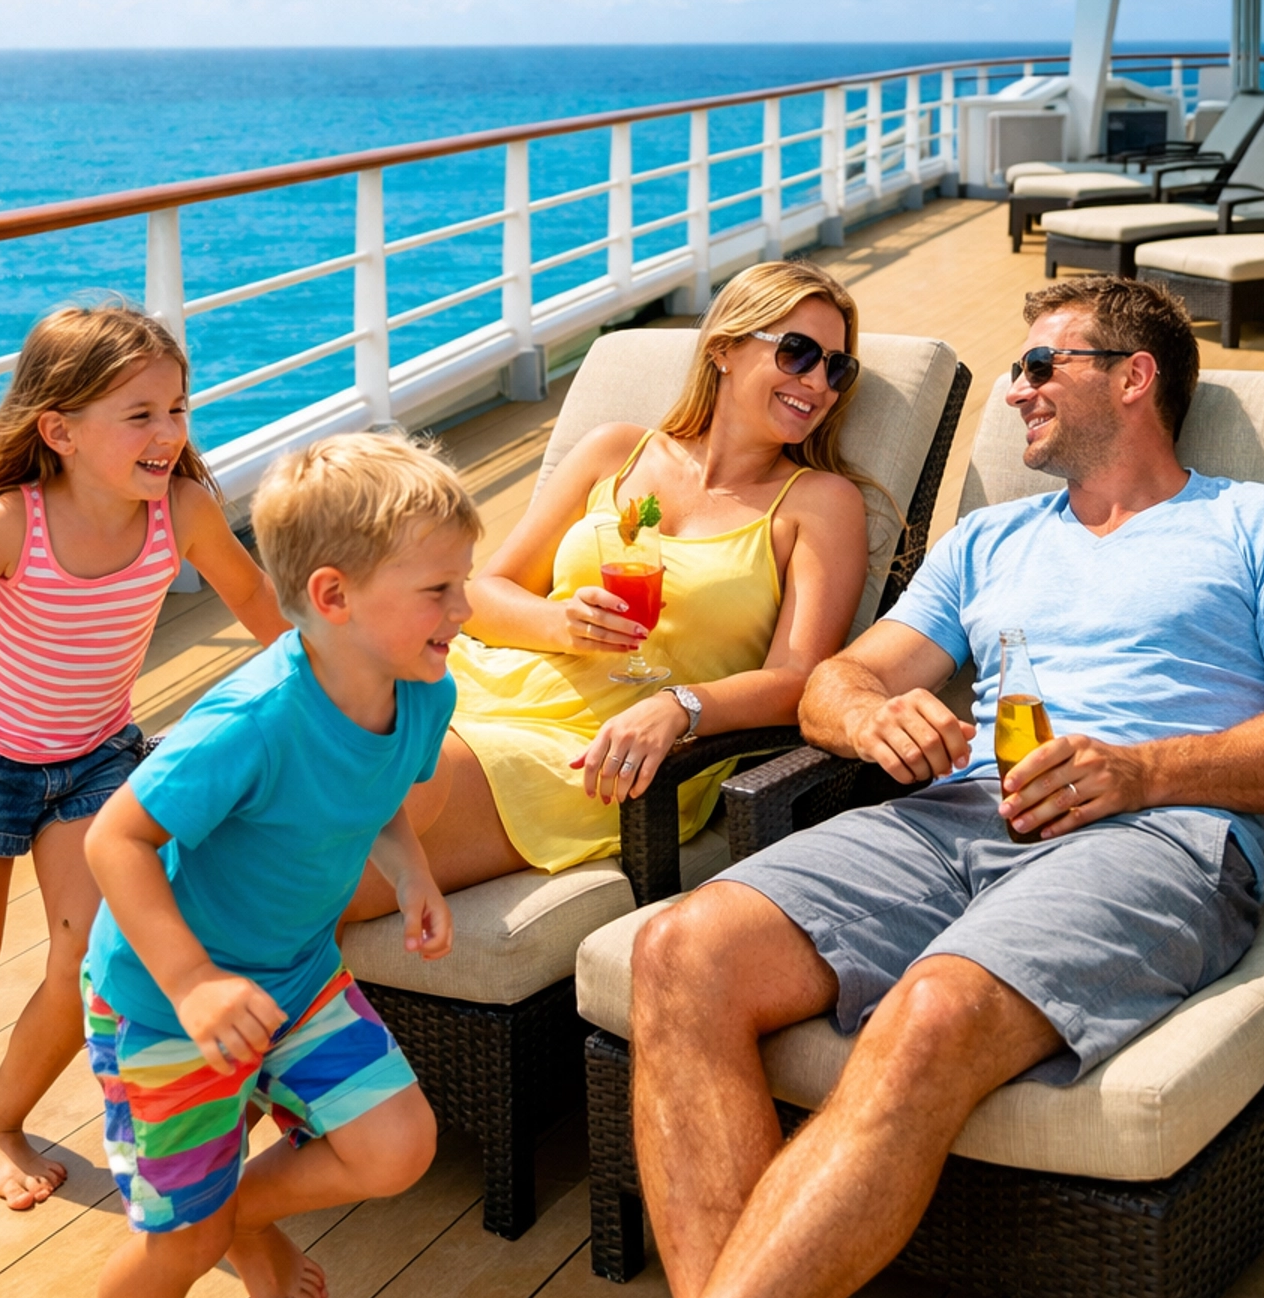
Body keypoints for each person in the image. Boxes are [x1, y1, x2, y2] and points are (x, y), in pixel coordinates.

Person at [431, 274, 1264, 1298]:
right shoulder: (996, 543)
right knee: (678, 952)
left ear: (1134, 379)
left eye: (1046, 367)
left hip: (1155, 837)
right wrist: (865, 716)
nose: (1019, 391)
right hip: (952, 812)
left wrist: (1150, 772)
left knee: (935, 1013)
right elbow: (843, 670)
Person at [72, 430, 475, 1298]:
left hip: (295, 975)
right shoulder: (249, 722)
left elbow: (375, 797)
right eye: (438, 590)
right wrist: (195, 981)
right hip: (166, 1003)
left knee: (396, 1146)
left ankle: (239, 1216)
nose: (464, 612)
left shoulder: (422, 690)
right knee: (182, 1233)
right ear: (334, 599)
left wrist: (412, 869)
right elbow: (116, 837)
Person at [0, 303, 286, 1208]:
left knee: (80, 956)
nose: (169, 433)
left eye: (177, 408)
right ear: (60, 430)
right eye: (140, 414)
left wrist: (337, 690)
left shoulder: (183, 509)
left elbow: (260, 610)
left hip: (94, 761)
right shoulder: (15, 523)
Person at [346, 260, 873, 922]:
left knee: (352, 816)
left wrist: (682, 705)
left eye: (837, 368)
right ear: (724, 351)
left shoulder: (821, 504)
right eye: (797, 353)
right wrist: (559, 623)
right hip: (492, 683)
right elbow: (485, 594)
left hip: (610, 748)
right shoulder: (616, 452)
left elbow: (799, 678)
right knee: (296, 758)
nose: (817, 382)